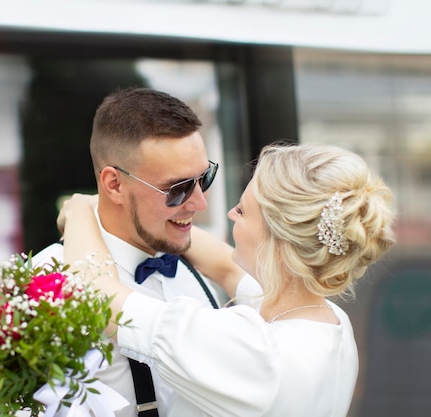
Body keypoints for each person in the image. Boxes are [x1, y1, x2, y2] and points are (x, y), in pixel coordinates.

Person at [58, 143, 396, 417]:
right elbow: (225, 267)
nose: (231, 214)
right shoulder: (329, 322)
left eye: (243, 211)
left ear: (277, 242)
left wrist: (79, 210)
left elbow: (99, 293)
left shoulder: (252, 352)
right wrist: (152, 219)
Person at [31, 87, 242, 417]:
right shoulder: (43, 283)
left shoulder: (207, 269)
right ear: (114, 185)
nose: (200, 203)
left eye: (204, 178)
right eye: (178, 189)